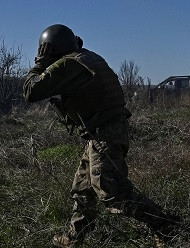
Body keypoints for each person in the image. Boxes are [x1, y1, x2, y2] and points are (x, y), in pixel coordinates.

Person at [23, 24, 180, 247]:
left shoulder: (68, 64)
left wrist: (40, 65)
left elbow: (31, 91)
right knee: (83, 189)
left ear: (50, 50)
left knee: (112, 192)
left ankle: (165, 225)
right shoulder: (88, 57)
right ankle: (74, 237)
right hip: (102, 132)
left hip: (105, 133)